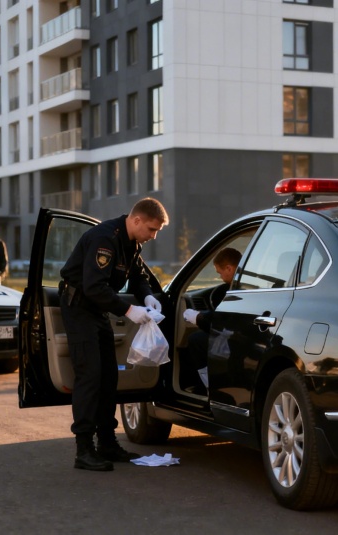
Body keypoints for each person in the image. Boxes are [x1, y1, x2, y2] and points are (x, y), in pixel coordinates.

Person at [59, 197, 168, 471]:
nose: (153, 236)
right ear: (137, 220)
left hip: (97, 311)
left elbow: (139, 275)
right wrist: (130, 311)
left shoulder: (131, 243)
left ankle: (107, 442)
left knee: (109, 376)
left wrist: (147, 297)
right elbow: (94, 287)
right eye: (152, 230)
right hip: (80, 308)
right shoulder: (105, 239)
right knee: (90, 376)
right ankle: (84, 450)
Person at [181, 247, 242, 395]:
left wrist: (198, 318)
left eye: (220, 273)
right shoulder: (249, 283)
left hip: (238, 339)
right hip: (244, 336)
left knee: (196, 339)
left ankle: (210, 388)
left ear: (229, 268)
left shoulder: (239, 288)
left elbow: (223, 321)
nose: (221, 277)